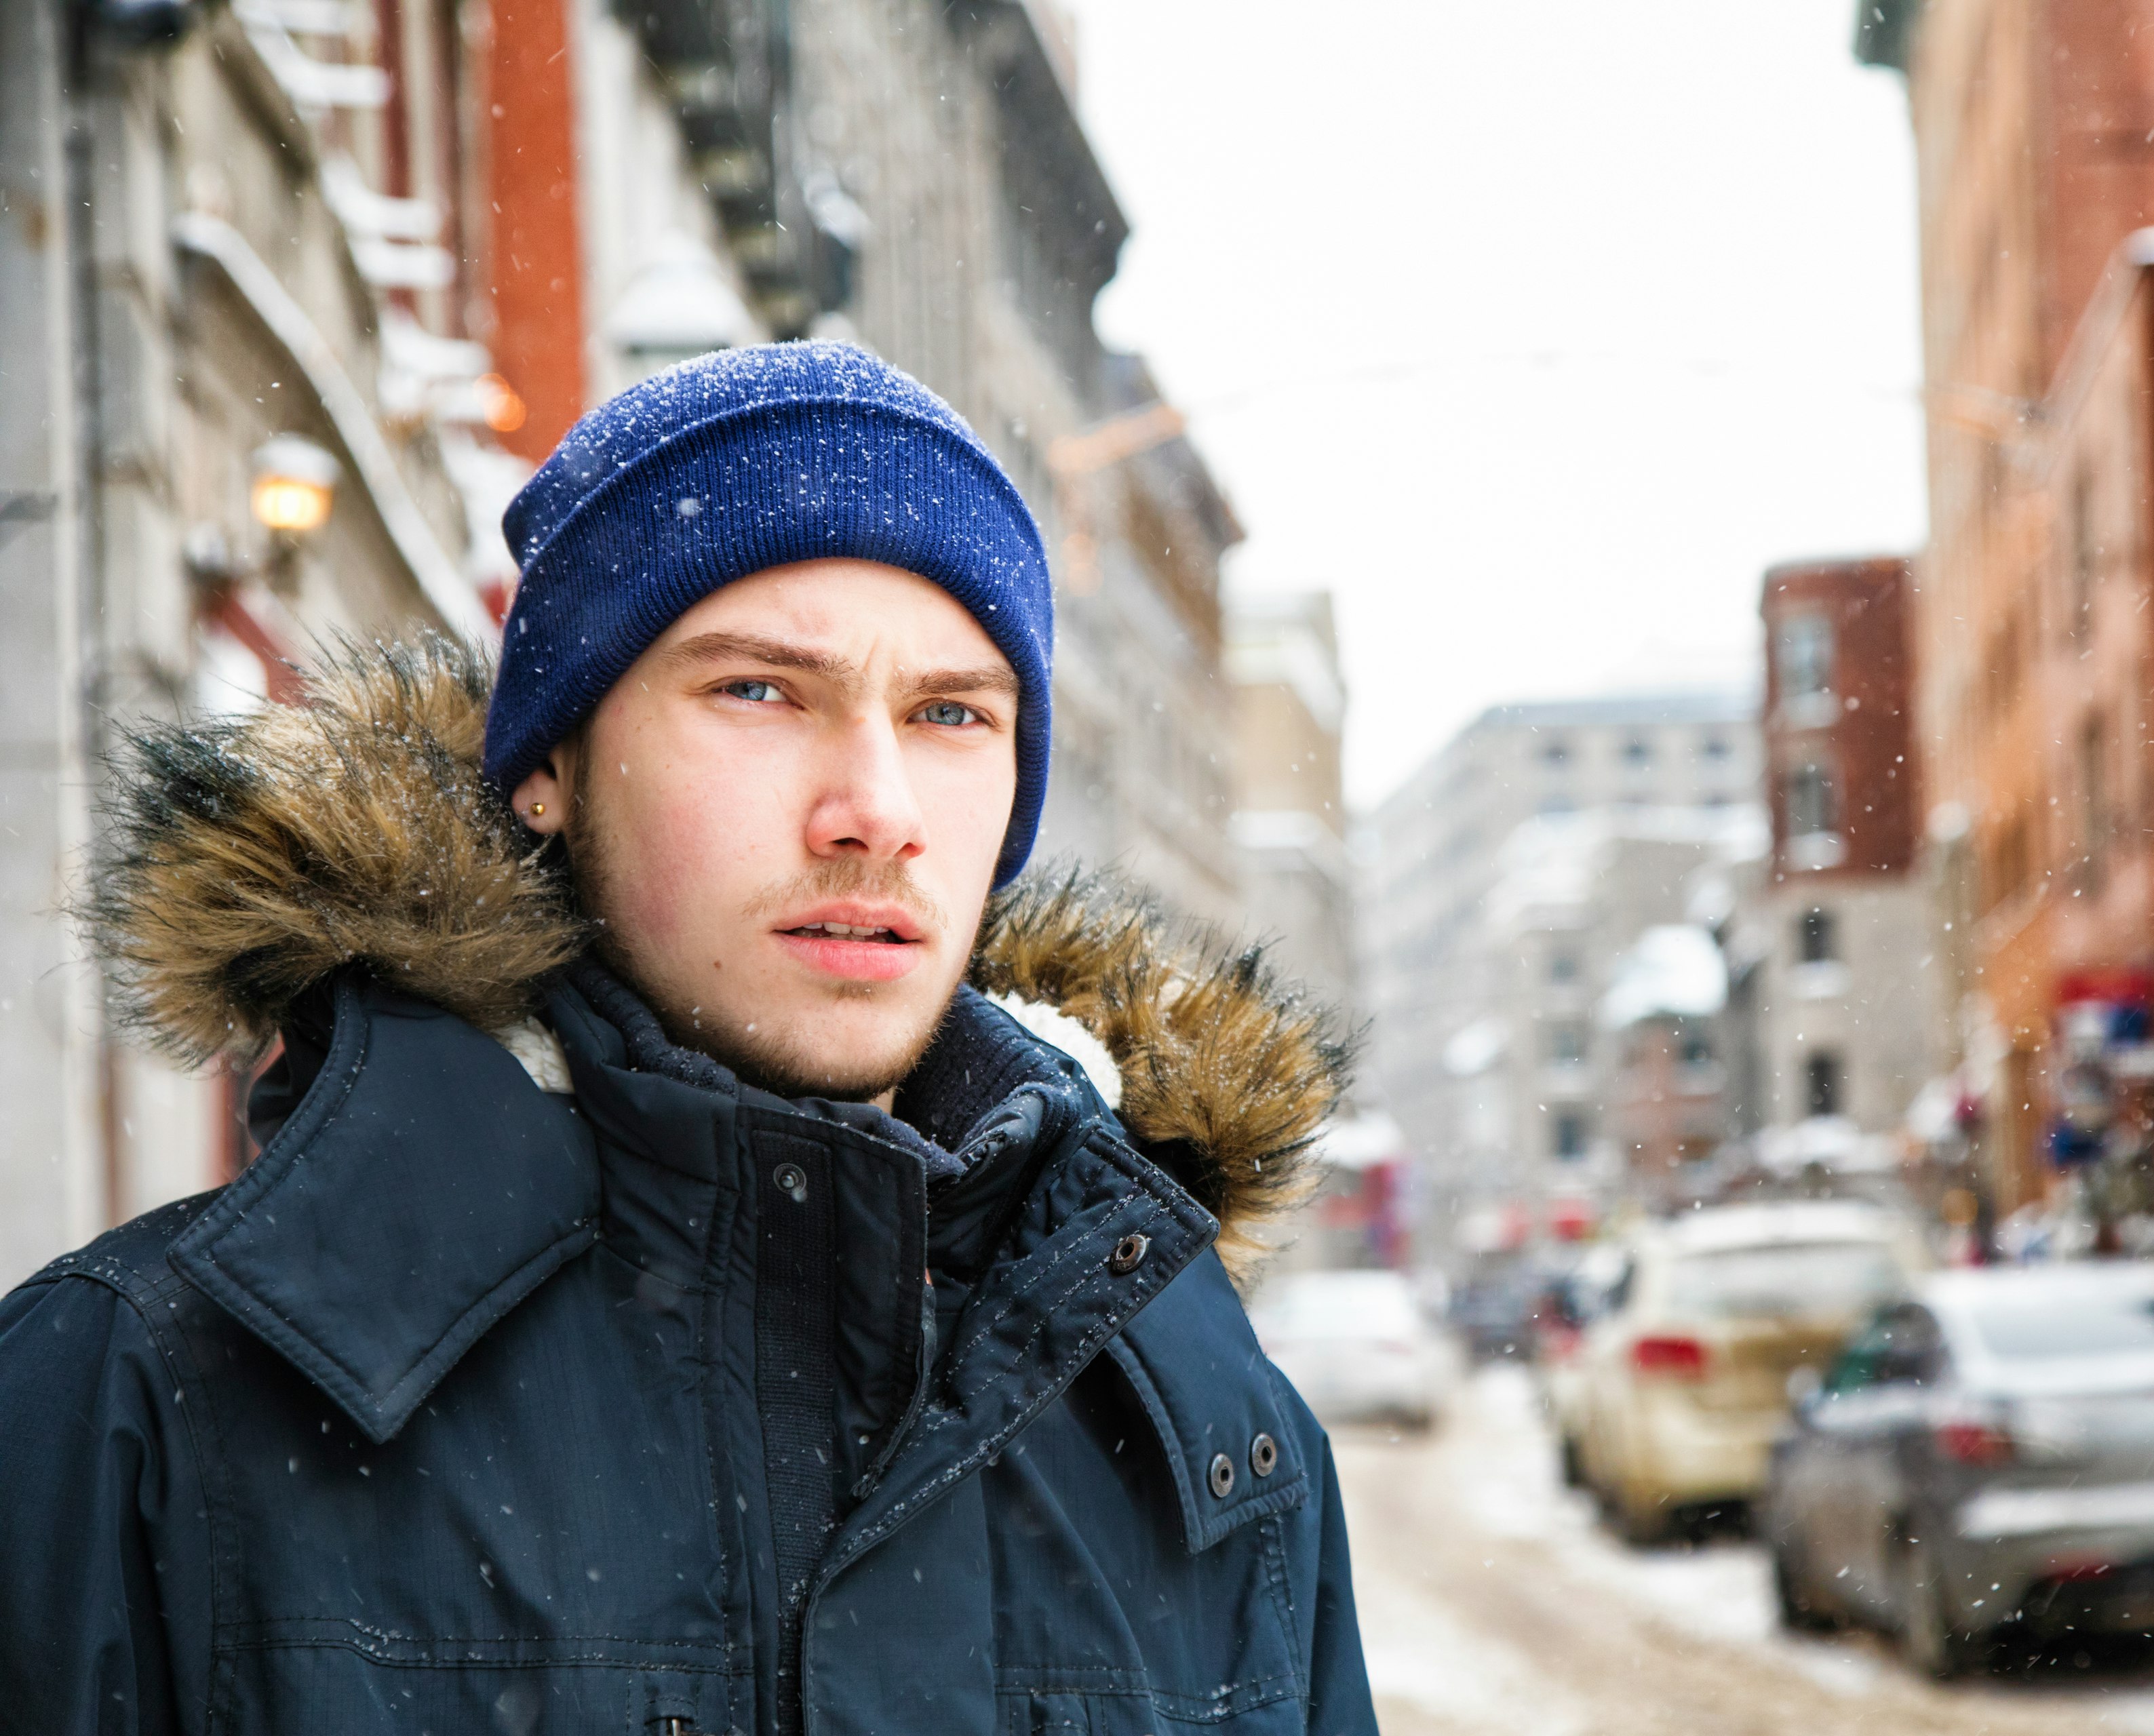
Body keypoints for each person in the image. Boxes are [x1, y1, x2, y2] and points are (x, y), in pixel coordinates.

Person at [0, 342, 1375, 1735]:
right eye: (761, 692)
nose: (875, 806)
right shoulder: (137, 1396)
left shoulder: (1211, 1434)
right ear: (549, 765)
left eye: (951, 712)